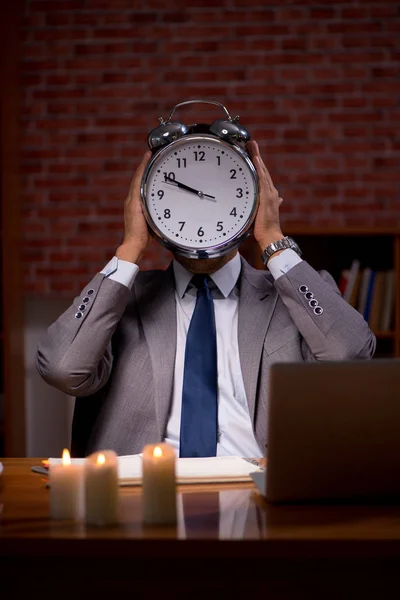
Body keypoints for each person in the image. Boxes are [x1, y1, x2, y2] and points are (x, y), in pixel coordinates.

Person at [36, 140, 376, 458]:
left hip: (261, 492)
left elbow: (350, 354)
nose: (204, 221)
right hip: (144, 496)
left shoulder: (290, 297)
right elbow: (62, 368)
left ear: (255, 203)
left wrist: (272, 237)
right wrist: (130, 249)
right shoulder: (120, 300)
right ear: (147, 210)